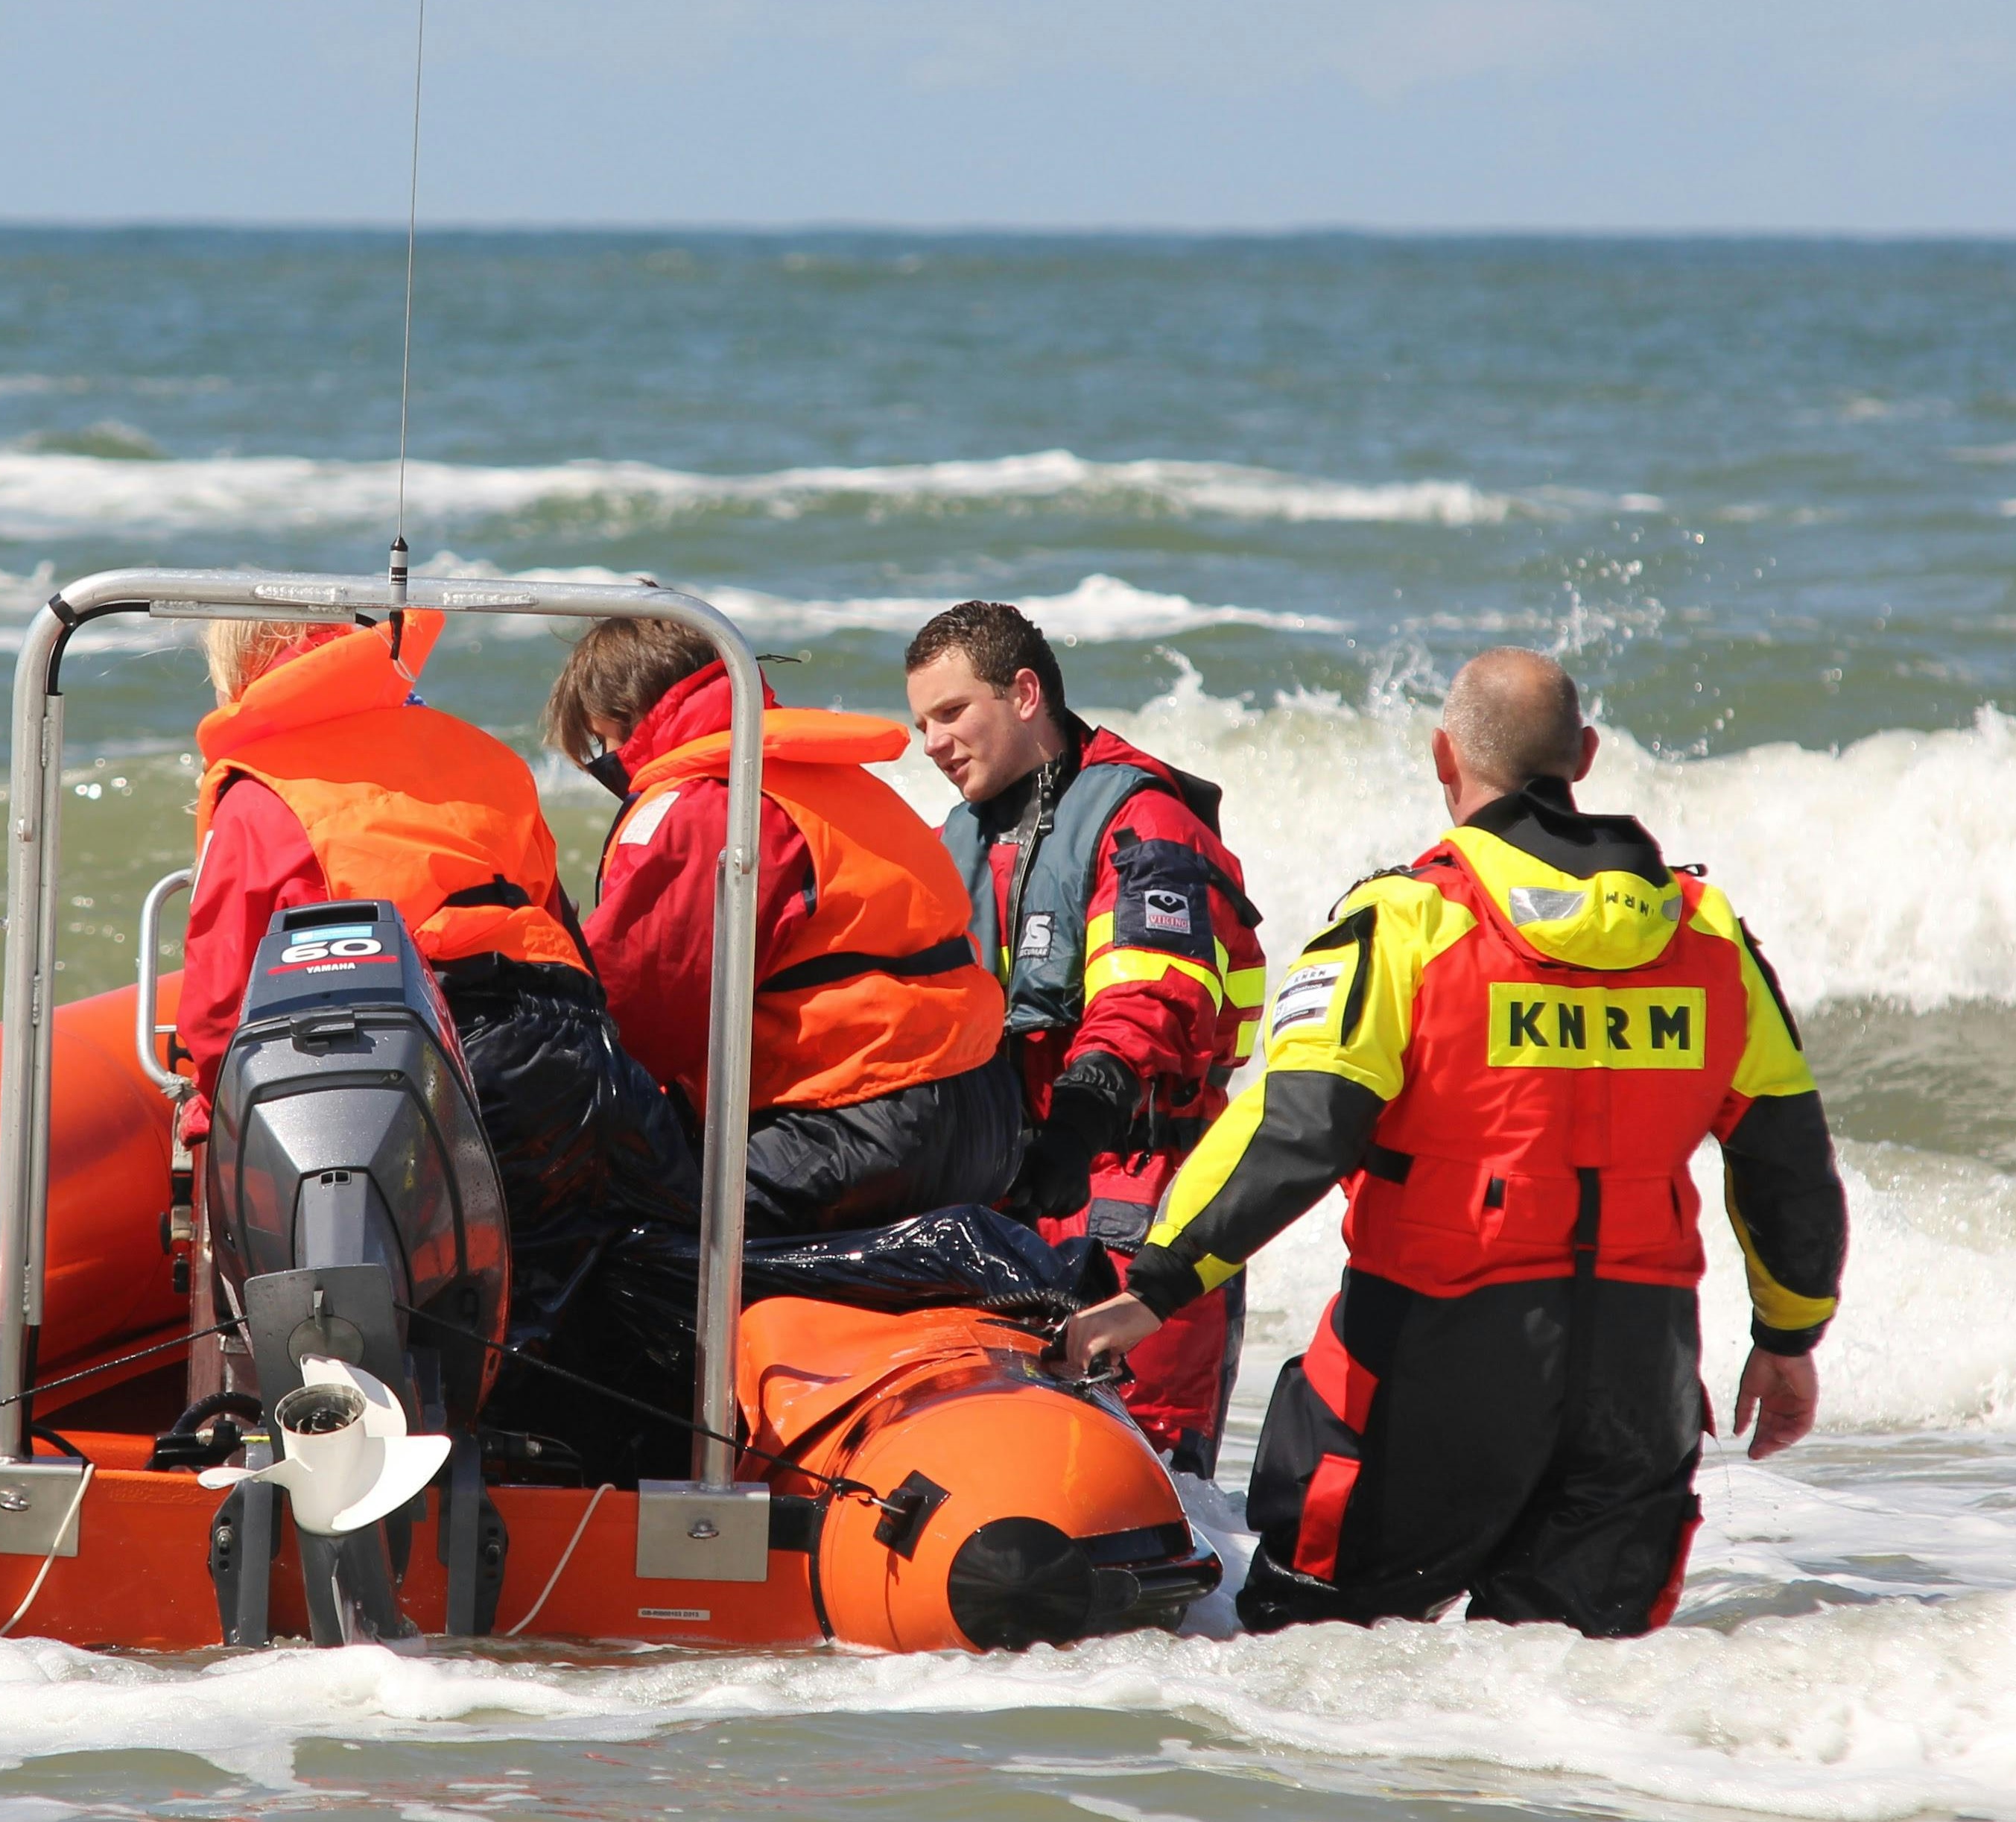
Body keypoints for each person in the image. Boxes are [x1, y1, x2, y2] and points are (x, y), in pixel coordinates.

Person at [1061, 648, 1848, 1639]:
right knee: (1567, 1705)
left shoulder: (1406, 921)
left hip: (1428, 1372)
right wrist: (1785, 1340)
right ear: (1586, 756)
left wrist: (1155, 1285)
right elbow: (1788, 1162)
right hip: (1637, 1383)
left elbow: (1293, 1130)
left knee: (1311, 1676)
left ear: (1444, 755)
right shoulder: (1707, 933)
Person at [182, 611, 699, 1478]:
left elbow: (220, 1009)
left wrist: (213, 1124)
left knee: (403, 1314)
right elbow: (560, 924)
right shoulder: (478, 755)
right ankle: (604, 1497)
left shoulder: (263, 789)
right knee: (586, 1300)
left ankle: (384, 1508)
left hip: (430, 1066)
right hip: (569, 1045)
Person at [904, 601, 1266, 1475]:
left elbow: (1153, 1000)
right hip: (1010, 1200)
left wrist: (1074, 1125)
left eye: (952, 713)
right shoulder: (955, 842)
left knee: (1144, 1478)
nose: (932, 743)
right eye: (920, 723)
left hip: (1136, 1203)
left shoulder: (1145, 820)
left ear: (1025, 693)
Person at [548, 616, 1022, 1239]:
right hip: (982, 1115)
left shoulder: (707, 803)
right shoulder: (829, 777)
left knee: (599, 1227)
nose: (606, 768)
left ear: (623, 718)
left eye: (600, 747)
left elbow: (636, 1019)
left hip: (861, 1126)